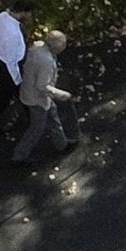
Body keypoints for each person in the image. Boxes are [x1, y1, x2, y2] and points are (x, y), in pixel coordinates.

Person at [11, 30, 78, 166]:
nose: (64, 46)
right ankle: (19, 156)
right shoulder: (46, 61)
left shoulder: (38, 47)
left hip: (30, 92)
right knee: (36, 129)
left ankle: (62, 144)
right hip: (37, 99)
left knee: (53, 116)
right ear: (55, 47)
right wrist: (61, 94)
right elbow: (43, 86)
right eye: (63, 44)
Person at [0, 0, 35, 135]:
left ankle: (30, 116)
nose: (30, 17)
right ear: (22, 13)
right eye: (29, 14)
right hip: (10, 66)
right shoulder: (12, 34)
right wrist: (17, 78)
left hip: (0, 58)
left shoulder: (2, 17)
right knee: (6, 96)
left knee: (14, 93)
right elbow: (11, 61)